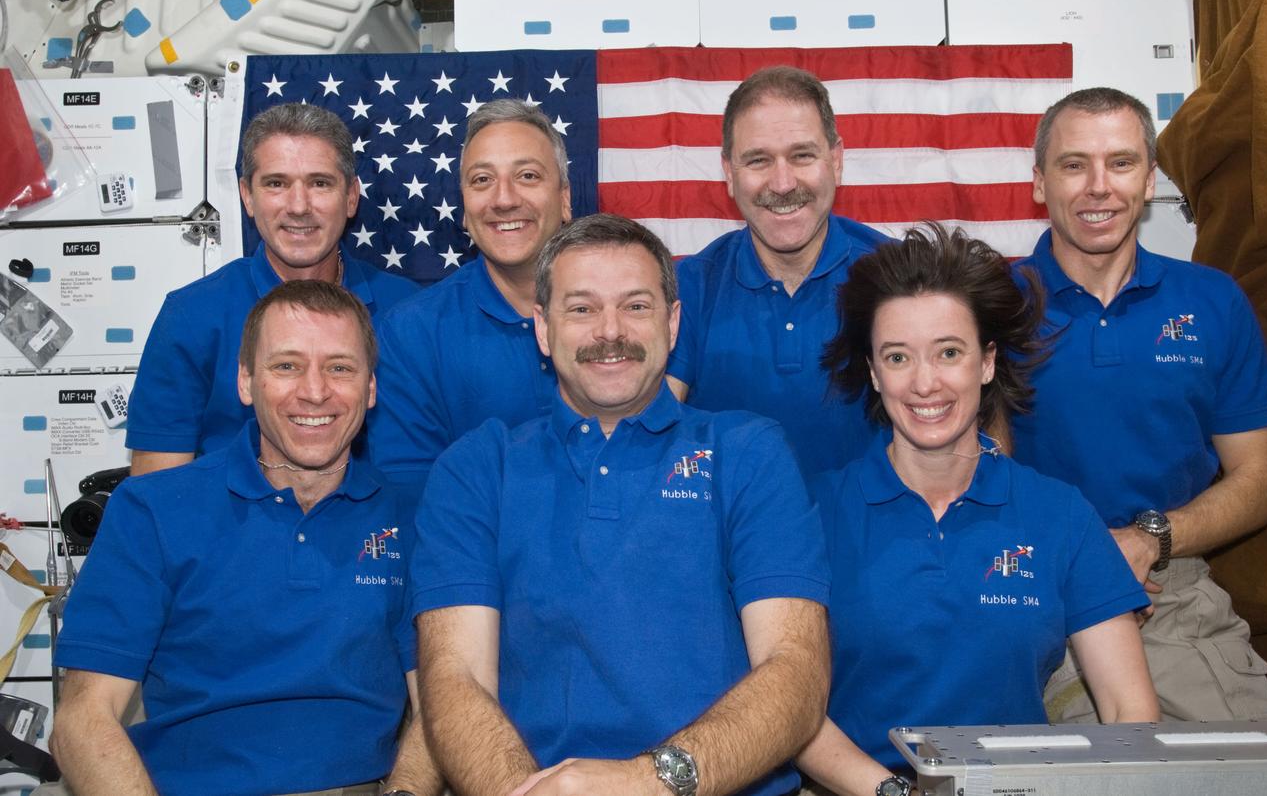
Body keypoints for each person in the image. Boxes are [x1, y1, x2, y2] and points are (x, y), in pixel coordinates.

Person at [414, 214, 830, 796]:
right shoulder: (476, 468)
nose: (611, 331)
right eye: (581, 308)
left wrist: (645, 783)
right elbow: (454, 679)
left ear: (673, 321)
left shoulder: (748, 452)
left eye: (636, 306)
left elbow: (796, 674)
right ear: (542, 327)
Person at [801, 226, 1157, 796]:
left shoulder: (1060, 515)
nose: (925, 383)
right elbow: (788, 706)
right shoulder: (812, 514)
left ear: (986, 362)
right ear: (873, 371)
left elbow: (1129, 711)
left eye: (949, 352)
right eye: (898, 356)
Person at [50, 280, 436, 796]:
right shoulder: (151, 510)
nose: (315, 391)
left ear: (370, 388)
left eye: (340, 367)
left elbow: (441, 704)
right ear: (246, 381)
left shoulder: (415, 519)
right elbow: (82, 717)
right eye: (286, 366)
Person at [1012, 88, 1267, 722]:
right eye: (1074, 164)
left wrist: (1149, 539)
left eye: (1122, 163)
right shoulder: (993, 305)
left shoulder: (1213, 301)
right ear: (1039, 183)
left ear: (1151, 179)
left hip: (1174, 591)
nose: (1098, 187)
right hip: (1033, 597)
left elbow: (1261, 481)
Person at [126, 102, 419, 476]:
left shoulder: (409, 314)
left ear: (350, 197)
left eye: (320, 183)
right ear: (247, 196)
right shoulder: (191, 317)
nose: (299, 206)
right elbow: (158, 494)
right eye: (276, 184)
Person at [668, 66, 888, 477]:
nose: (783, 183)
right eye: (758, 160)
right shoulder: (691, 287)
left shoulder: (902, 277)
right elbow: (652, 433)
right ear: (729, 174)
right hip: (731, 538)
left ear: (836, 161)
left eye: (802, 156)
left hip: (874, 537)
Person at [366, 99, 571, 510]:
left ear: (565, 199)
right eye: (481, 180)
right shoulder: (410, 335)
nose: (504, 199)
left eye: (527, 176)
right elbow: (413, 497)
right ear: (463, 208)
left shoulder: (622, 315)